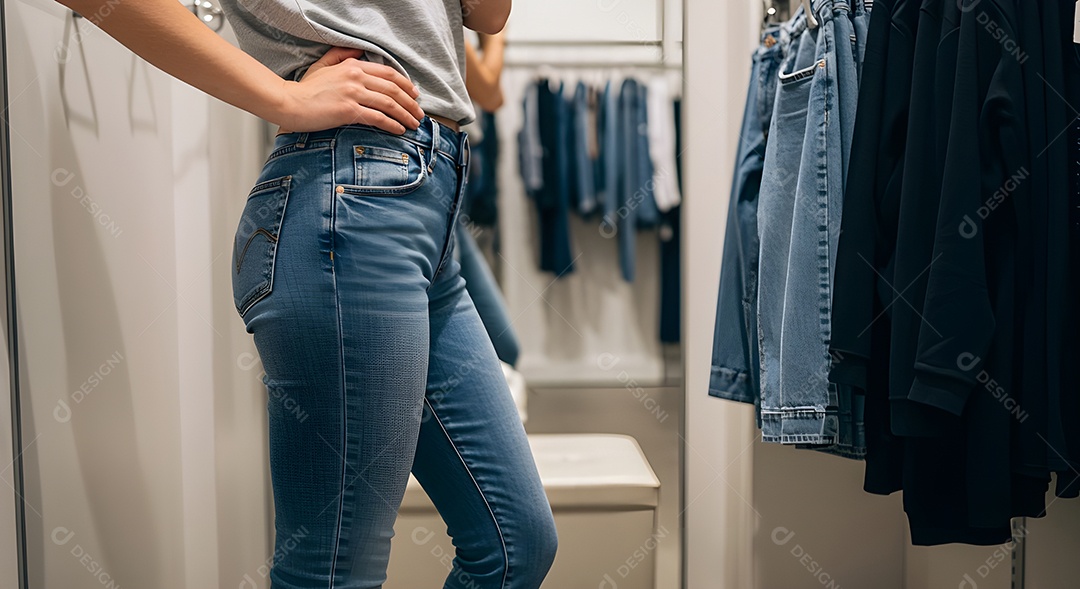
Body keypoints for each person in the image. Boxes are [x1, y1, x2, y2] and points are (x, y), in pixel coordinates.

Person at [53, 1, 557, 588]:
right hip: (353, 202)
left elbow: (488, 15)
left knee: (516, 541)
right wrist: (282, 98)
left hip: (431, 205)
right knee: (335, 569)